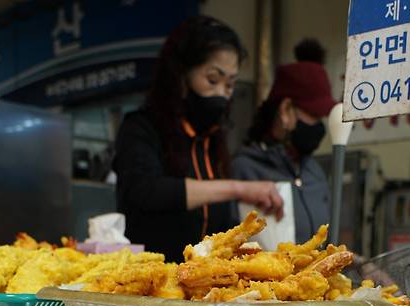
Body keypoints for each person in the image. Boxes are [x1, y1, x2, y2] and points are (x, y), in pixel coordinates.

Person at [114, 16, 284, 261]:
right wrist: (238, 188)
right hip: (152, 280)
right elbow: (145, 191)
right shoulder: (141, 127)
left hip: (204, 285)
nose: (221, 94)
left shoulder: (213, 140)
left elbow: (219, 222)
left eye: (229, 85)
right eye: (212, 80)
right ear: (181, 74)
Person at [233, 40, 336, 244]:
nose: (319, 125)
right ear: (286, 110)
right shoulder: (245, 170)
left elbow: (325, 246)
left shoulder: (314, 171)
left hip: (313, 276)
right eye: (313, 114)